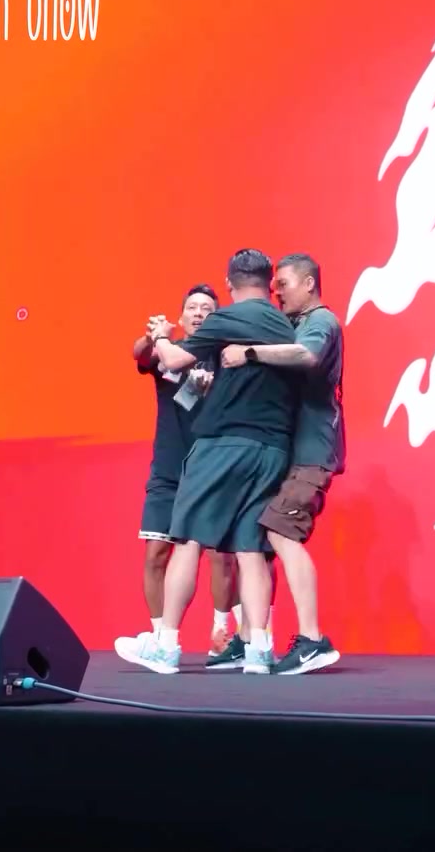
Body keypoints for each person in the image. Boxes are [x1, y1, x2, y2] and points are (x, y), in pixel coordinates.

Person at [141, 249, 298, 675]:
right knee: (251, 550)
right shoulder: (284, 324)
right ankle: (258, 649)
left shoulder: (226, 319)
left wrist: (161, 335)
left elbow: (172, 360)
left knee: (188, 538)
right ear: (270, 284)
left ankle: (166, 646)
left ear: (229, 284)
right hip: (273, 449)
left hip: (224, 444)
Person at [221, 253, 343, 674]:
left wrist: (249, 353)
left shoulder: (321, 322)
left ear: (309, 284)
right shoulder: (290, 324)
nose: (277, 293)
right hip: (286, 453)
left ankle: (312, 639)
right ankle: (249, 638)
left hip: (312, 454)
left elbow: (306, 356)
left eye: (284, 284)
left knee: (280, 530)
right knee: (256, 539)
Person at [114, 284, 242, 670]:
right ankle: (160, 638)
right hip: (168, 470)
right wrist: (153, 334)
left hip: (212, 470)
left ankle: (222, 636)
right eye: (192, 308)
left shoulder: (226, 357)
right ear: (182, 316)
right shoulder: (167, 351)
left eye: (207, 308)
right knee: (156, 554)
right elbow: (140, 354)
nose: (199, 313)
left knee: (221, 556)